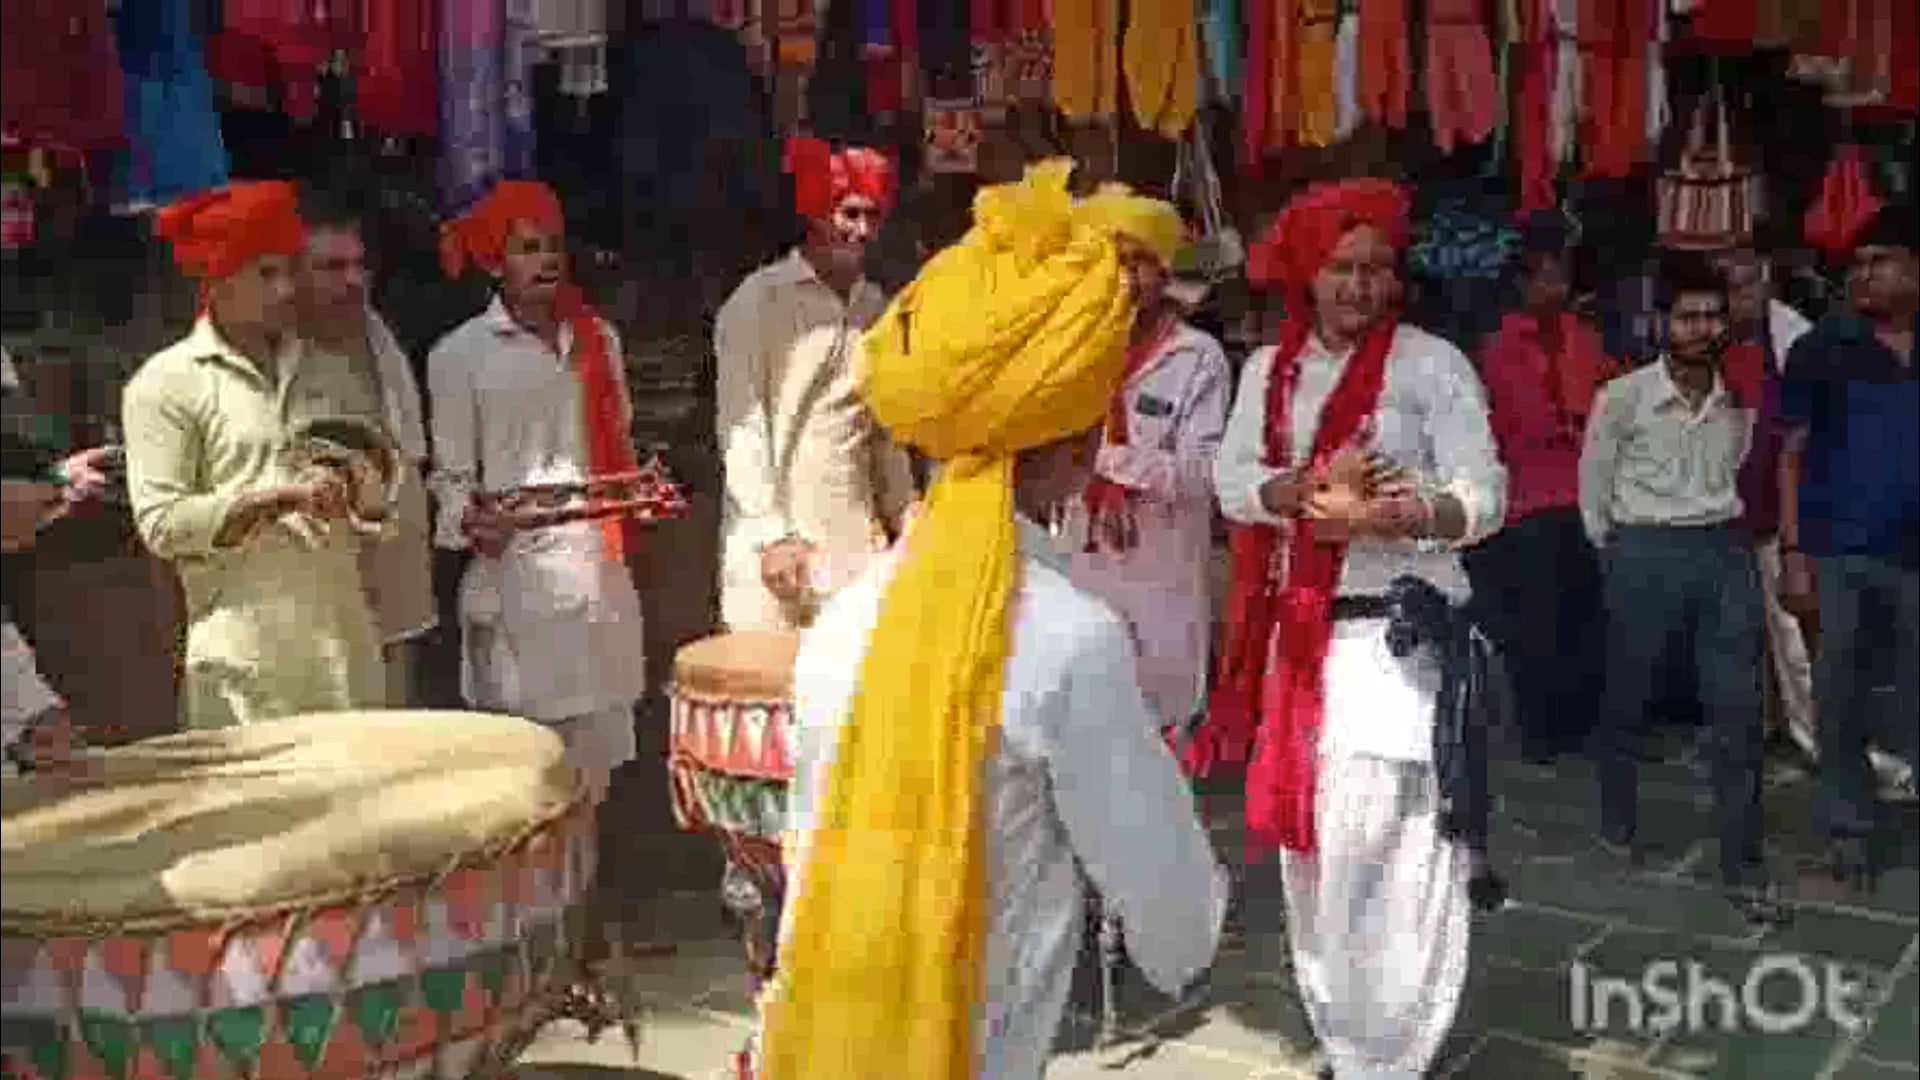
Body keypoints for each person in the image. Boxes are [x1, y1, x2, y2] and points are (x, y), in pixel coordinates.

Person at [757, 160, 1226, 1080]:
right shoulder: (1070, 640)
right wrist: (1187, 931)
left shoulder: (845, 621)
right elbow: (1171, 909)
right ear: (1083, 442)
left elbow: (807, 861)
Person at [1200, 179, 1508, 1080]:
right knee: (1319, 852)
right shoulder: (1269, 370)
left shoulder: (1432, 365)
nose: (1359, 286)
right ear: (1309, 272)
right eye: (1342, 267)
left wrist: (1391, 517)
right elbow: (1231, 480)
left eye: (1376, 268)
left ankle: (1397, 1049)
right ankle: (1347, 1039)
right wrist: (1300, 492)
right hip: (1302, 643)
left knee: (1398, 842)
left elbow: (1486, 495)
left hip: (1398, 642)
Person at [122, 181, 385, 730]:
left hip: (346, 654)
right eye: (265, 274)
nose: (286, 288)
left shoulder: (331, 368)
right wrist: (275, 499)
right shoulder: (165, 383)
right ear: (214, 277)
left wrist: (354, 484)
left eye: (288, 271)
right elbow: (161, 524)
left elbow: (382, 492)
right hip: (244, 667)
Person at [427, 180, 646, 798]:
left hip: (597, 574)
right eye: (528, 248)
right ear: (496, 262)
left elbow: (619, 446)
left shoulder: (599, 340)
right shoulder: (459, 355)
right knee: (525, 782)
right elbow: (450, 477)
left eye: (553, 246)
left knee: (594, 780)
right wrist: (472, 523)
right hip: (515, 584)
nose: (547, 260)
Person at [1579, 251, 1777, 919]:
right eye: (1687, 316)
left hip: (1722, 550)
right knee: (1629, 693)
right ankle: (1617, 816)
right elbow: (1593, 489)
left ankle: (1743, 860)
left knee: (1737, 708)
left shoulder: (1738, 398)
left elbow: (1742, 464)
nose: (1701, 328)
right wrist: (1616, 554)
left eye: (1712, 316)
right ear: (1661, 322)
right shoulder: (1623, 397)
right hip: (1642, 550)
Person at [714, 136, 917, 632]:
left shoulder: (877, 308)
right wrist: (771, 534)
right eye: (849, 214)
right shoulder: (758, 301)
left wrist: (906, 515)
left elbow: (883, 433)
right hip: (774, 557)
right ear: (815, 212)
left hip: (856, 549)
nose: (862, 230)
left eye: (873, 216)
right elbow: (742, 427)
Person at [1778, 204, 1920, 886]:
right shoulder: (1823, 347)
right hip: (1838, 553)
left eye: (1880, 261)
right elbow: (1791, 455)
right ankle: (1849, 829)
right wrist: (1794, 555)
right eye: (1857, 263)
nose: (1863, 274)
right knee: (1838, 695)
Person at [1064, 186, 1231, 733]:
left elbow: (1201, 476)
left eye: (1140, 262)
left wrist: (1100, 459)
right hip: (1082, 569)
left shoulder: (1197, 356)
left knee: (1162, 731)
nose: (1126, 279)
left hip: (1163, 574)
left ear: (1164, 270)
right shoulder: (1072, 350)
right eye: (1113, 262)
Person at [1468, 216, 1616, 762]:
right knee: (1535, 623)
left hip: (1587, 497)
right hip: (1527, 502)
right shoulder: (1498, 348)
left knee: (1585, 617)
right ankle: (1540, 732)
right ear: (1523, 285)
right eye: (1545, 278)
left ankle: (1582, 727)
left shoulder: (1587, 341)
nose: (1555, 288)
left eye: (1561, 278)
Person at [294, 185, 438, 708]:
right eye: (332, 268)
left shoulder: (382, 342)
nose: (353, 280)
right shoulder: (272, 361)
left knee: (396, 721)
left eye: (359, 266)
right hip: (317, 601)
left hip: (395, 584)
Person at [1714, 243, 1819, 767]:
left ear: (1766, 282)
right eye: (1729, 289)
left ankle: (1814, 738)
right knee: (1740, 632)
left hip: (1784, 509)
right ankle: (1762, 727)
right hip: (1728, 507)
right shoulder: (1713, 337)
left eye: (1747, 286)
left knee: (1793, 636)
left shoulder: (1795, 338)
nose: (1740, 299)